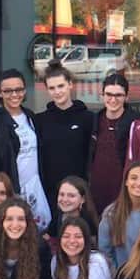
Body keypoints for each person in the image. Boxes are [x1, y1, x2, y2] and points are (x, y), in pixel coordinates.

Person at [0, 68, 52, 233]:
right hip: (12, 188)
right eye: (8, 91)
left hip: (35, 186)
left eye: (19, 89)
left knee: (38, 230)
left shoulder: (31, 116)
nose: (14, 94)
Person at [34, 63, 94, 221]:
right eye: (52, 88)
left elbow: (91, 155)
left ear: (70, 85)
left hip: (79, 192)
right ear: (47, 90)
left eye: (61, 86)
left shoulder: (87, 118)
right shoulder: (40, 120)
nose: (57, 91)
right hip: (50, 192)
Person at [97, 161, 140, 271]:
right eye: (134, 178)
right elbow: (105, 253)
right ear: (126, 181)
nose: (139, 183)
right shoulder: (111, 213)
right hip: (120, 277)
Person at [89, 73, 134, 215]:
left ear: (127, 97)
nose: (113, 99)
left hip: (123, 192)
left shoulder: (137, 123)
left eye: (119, 95)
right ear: (102, 95)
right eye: (108, 94)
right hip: (96, 190)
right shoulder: (93, 120)